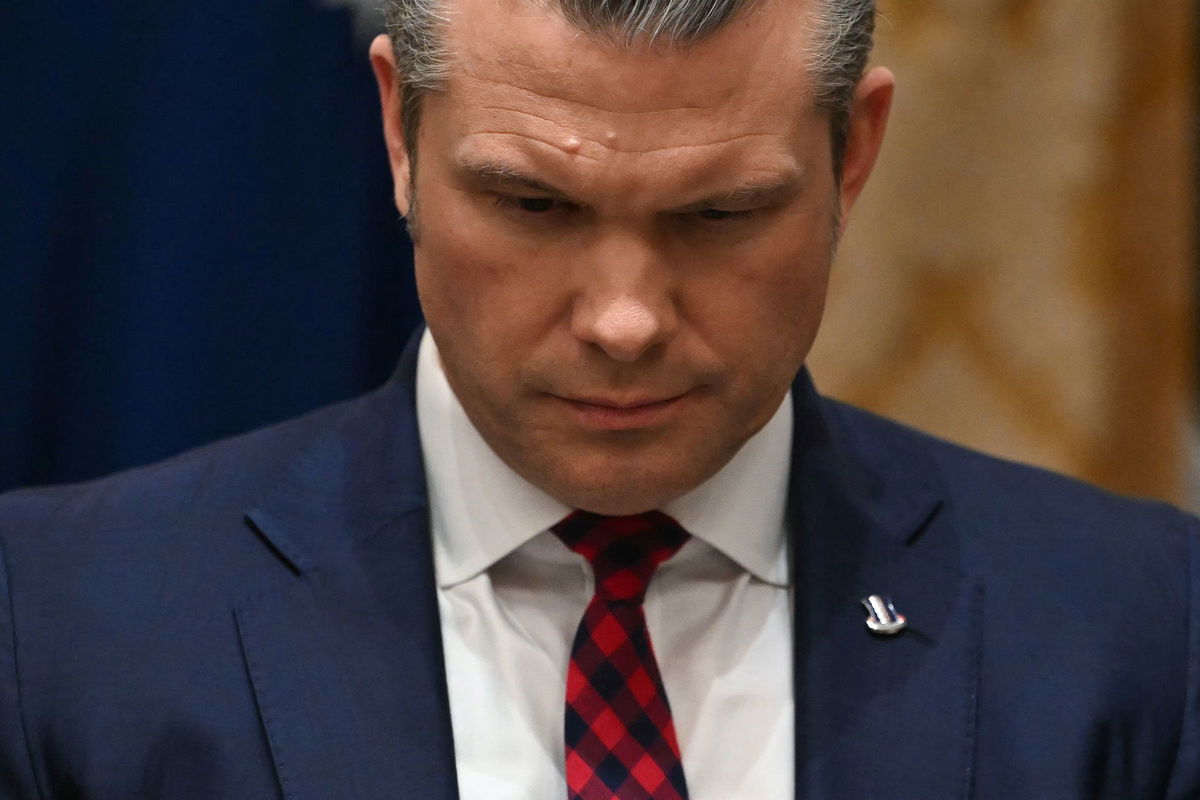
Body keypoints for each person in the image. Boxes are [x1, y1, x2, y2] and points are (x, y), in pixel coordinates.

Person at [1, 0, 1197, 796]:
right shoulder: (53, 624)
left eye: (720, 213)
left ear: (854, 153)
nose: (624, 320)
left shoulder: (1143, 632)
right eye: (534, 205)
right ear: (401, 133)